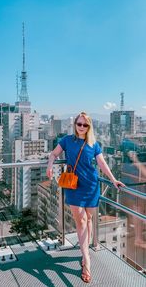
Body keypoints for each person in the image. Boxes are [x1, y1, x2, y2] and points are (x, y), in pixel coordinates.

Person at [46, 112, 125, 283]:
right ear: (75, 124)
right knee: (80, 220)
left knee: (88, 218)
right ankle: (86, 259)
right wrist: (50, 166)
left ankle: (85, 252)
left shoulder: (94, 144)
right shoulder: (67, 140)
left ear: (89, 127)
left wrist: (113, 179)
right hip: (74, 186)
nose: (81, 127)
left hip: (91, 185)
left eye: (85, 125)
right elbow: (53, 154)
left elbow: (102, 164)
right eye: (79, 124)